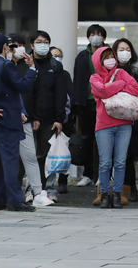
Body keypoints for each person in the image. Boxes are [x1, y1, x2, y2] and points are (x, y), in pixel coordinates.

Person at [0, 33, 38, 211]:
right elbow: (22, 86)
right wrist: (32, 69)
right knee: (10, 161)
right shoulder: (6, 65)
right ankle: (15, 200)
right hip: (8, 120)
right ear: (5, 47)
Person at [89, 47, 138, 209]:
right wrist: (120, 84)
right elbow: (102, 92)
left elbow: (136, 88)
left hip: (124, 123)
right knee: (105, 162)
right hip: (104, 125)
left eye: (112, 56)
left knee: (120, 162)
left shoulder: (121, 72)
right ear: (99, 60)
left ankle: (117, 195)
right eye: (106, 57)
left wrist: (116, 85)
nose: (110, 60)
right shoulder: (94, 77)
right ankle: (104, 195)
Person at [9, 34, 54, 207]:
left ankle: (37, 192)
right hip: (6, 120)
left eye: (21, 45)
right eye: (15, 46)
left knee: (30, 157)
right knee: (7, 158)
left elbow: (37, 94)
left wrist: (35, 117)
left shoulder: (29, 67)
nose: (19, 49)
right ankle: (10, 192)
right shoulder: (4, 66)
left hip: (25, 119)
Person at [113, 38, 138, 204]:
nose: (124, 52)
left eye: (127, 49)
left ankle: (129, 188)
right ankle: (118, 188)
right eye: (121, 49)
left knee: (127, 157)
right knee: (116, 157)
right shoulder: (109, 72)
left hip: (134, 120)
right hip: (113, 120)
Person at [29, 31, 68, 202]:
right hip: (29, 118)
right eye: (39, 41)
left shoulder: (55, 65)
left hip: (49, 119)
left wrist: (59, 119)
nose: (42, 44)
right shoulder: (26, 63)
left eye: (46, 41)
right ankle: (28, 189)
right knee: (28, 155)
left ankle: (42, 190)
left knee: (44, 156)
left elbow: (61, 94)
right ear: (32, 45)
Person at [74, 24, 108, 187]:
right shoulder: (82, 56)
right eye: (92, 34)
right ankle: (87, 174)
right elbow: (77, 80)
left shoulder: (109, 55)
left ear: (103, 37)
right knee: (87, 139)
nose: (95, 36)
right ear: (88, 37)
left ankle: (102, 174)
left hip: (106, 103)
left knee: (104, 140)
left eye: (98, 34)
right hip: (86, 103)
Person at [49, 46, 75, 195]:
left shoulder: (65, 74)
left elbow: (71, 94)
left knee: (63, 150)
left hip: (64, 119)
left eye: (59, 55)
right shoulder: (44, 73)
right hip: (48, 118)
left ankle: (63, 180)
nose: (57, 58)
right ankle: (48, 182)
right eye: (53, 55)